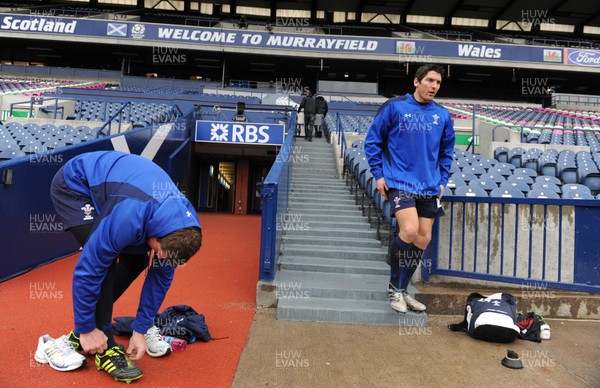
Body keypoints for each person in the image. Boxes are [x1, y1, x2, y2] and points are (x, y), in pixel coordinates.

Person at [49, 150, 202, 383]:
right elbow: (88, 268)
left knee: (136, 260)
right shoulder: (129, 216)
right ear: (156, 235)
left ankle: (91, 325)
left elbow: (160, 278)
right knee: (105, 262)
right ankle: (105, 346)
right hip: (76, 186)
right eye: (160, 254)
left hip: (124, 193)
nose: (162, 260)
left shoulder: (181, 232)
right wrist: (87, 328)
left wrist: (140, 330)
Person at [364, 64, 455, 313]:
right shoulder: (394, 107)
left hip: (428, 185)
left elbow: (447, 152)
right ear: (416, 82)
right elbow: (372, 141)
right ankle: (394, 288)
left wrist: (442, 180)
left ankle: (403, 290)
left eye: (438, 82)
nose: (434, 86)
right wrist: (379, 174)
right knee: (410, 230)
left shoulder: (443, 115)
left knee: (424, 237)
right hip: (400, 181)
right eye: (429, 80)